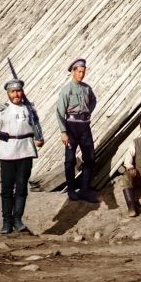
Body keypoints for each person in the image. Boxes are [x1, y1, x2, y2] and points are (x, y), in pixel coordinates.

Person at [0, 79, 44, 234]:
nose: (16, 94)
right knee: (6, 189)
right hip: (7, 152)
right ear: (8, 93)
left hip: (25, 151)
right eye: (13, 92)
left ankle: (18, 220)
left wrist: (39, 137)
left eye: (18, 91)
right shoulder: (1, 111)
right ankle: (6, 222)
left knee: (22, 187)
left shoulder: (29, 109)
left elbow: (36, 125)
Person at [56, 58, 98, 203]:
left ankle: (85, 190)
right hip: (71, 126)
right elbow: (60, 113)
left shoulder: (87, 88)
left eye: (83, 72)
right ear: (73, 72)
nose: (81, 74)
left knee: (90, 157)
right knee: (69, 160)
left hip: (84, 126)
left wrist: (88, 112)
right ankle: (72, 190)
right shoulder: (66, 90)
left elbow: (93, 101)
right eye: (79, 72)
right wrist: (63, 132)